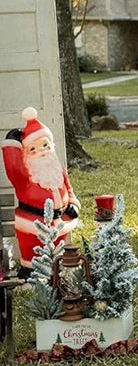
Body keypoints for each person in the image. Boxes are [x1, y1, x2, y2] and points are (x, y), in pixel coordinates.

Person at [2, 108, 80, 277]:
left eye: (45, 145)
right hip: (32, 223)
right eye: (33, 149)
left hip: (60, 221)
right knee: (33, 254)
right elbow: (14, 169)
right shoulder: (26, 176)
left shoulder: (57, 169)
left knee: (58, 253)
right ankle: (30, 273)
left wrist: (73, 204)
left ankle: (58, 272)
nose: (42, 151)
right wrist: (11, 146)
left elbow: (69, 189)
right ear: (26, 154)